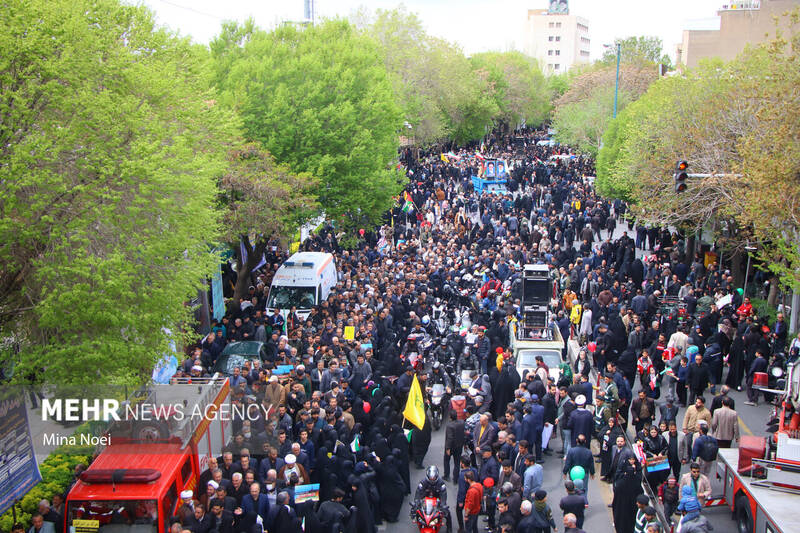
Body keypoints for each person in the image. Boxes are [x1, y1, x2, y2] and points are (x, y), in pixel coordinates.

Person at [414, 465, 452, 533]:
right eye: (431, 478)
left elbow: (443, 494)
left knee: (447, 512)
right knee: (416, 510)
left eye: (433, 478)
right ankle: (418, 521)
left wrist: (443, 505)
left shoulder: (441, 483)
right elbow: (418, 492)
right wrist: (416, 501)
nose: (432, 479)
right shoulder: (423, 482)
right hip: (426, 496)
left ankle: (449, 528)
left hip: (437, 496)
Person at [444, 410, 465, 482]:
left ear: (450, 417)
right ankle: (455, 478)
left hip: (451, 447)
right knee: (457, 462)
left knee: (446, 460)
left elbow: (450, 438)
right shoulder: (462, 423)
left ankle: (446, 475)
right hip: (459, 446)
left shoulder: (449, 426)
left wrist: (447, 448)